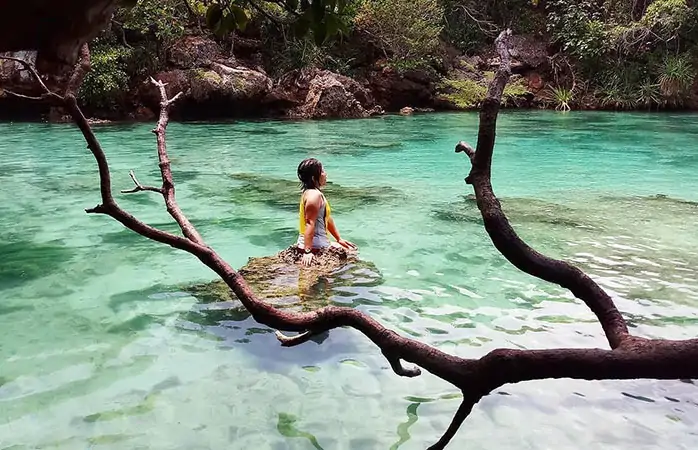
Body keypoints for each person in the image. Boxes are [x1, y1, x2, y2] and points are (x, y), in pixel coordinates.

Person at [296, 157, 356, 266]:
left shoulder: (310, 192)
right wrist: (308, 251)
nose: (325, 174)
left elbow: (326, 218)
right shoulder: (314, 196)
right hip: (316, 246)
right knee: (353, 253)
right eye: (322, 171)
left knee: (350, 248)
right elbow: (310, 223)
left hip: (317, 242)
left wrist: (339, 239)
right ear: (314, 178)